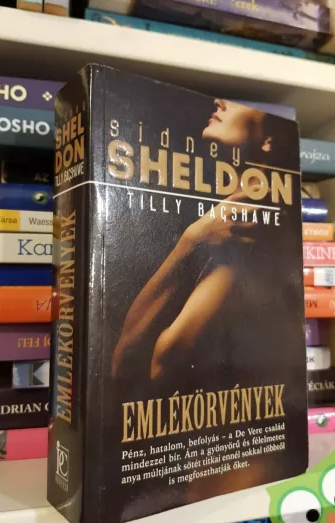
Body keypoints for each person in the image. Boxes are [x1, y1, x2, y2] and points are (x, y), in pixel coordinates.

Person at [111, 99, 276, 383]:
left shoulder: (250, 228)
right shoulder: (221, 219)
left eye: (239, 101)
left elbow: (131, 365)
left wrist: (193, 240)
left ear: (269, 140)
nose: (219, 102)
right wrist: (193, 238)